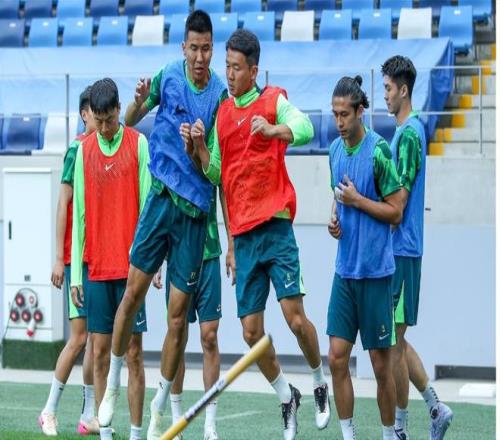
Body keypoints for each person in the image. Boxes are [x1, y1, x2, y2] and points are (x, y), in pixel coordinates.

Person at [188, 29, 331, 440]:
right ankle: (287, 395)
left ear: (253, 70)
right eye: (227, 67)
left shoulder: (272, 100)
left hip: (276, 229)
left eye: (236, 68)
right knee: (251, 333)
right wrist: (199, 148)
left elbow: (305, 127)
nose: (229, 74)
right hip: (244, 237)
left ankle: (318, 381)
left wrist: (273, 130)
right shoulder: (221, 115)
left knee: (294, 318)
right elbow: (217, 173)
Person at [97, 11, 227, 440]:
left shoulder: (220, 98)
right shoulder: (168, 76)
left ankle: (159, 407)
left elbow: (217, 172)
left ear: (213, 49)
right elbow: (132, 118)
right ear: (183, 47)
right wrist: (137, 100)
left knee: (177, 321)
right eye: (194, 48)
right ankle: (113, 384)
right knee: (131, 295)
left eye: (206, 49)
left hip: (194, 217)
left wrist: (200, 149)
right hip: (159, 202)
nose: (200, 57)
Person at [70, 78, 151, 440]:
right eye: (98, 121)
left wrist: (151, 263)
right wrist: (76, 275)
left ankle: (135, 432)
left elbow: (148, 211)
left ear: (119, 110)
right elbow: (79, 218)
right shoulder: (83, 151)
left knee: (133, 353)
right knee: (100, 351)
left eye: (109, 120)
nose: (103, 128)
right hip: (97, 269)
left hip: (132, 271)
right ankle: (105, 432)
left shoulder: (138, 144)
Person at [327, 75, 403, 440]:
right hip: (344, 272)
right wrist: (334, 218)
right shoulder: (334, 150)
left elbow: (396, 211)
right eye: (335, 115)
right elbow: (338, 195)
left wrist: (358, 201)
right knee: (336, 357)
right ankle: (349, 435)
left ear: (360, 112)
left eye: (345, 114)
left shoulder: (379, 151)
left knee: (379, 365)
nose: (339, 122)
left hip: (375, 274)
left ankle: (389, 434)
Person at [382, 55, 453, 440]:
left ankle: (400, 429)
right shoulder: (405, 132)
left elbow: (400, 202)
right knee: (396, 339)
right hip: (401, 249)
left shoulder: (409, 134)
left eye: (388, 89)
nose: (385, 96)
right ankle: (436, 408)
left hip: (403, 249)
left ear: (404, 90)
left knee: (393, 343)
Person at [39, 86, 99, 437]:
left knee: (94, 340)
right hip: (77, 261)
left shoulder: (104, 148)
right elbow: (63, 204)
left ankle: (88, 414)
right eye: (94, 113)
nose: (101, 119)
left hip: (99, 258)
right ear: (84, 115)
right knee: (78, 339)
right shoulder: (76, 150)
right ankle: (48, 410)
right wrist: (59, 260)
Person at [151, 185, 227, 440]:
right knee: (177, 336)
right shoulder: (170, 162)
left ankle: (210, 425)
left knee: (210, 336)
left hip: (209, 253)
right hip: (177, 256)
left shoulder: (211, 158)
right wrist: (158, 258)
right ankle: (176, 420)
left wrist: (233, 246)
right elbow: (161, 205)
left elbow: (224, 193)